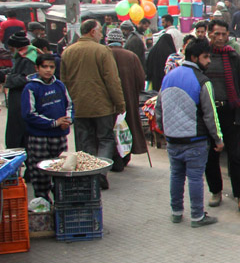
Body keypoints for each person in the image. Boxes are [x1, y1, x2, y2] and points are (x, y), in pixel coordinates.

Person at [156, 38, 223, 227]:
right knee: (195, 177)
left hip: (172, 139)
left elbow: (159, 107)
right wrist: (218, 139)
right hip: (195, 139)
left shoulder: (168, 76)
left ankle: (176, 212)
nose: (209, 61)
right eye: (206, 57)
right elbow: (211, 115)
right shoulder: (202, 81)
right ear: (194, 57)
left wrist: (163, 129)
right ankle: (197, 216)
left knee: (176, 175)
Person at [60, 20, 125, 189]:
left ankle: (87, 175)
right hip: (102, 105)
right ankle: (100, 173)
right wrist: (120, 103)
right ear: (91, 32)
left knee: (84, 141)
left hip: (79, 105)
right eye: (99, 31)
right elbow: (112, 80)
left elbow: (64, 81)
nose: (101, 35)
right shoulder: (102, 51)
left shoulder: (68, 52)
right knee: (105, 139)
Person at [204, 19, 240, 213]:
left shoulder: (233, 57)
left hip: (231, 111)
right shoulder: (204, 56)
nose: (220, 38)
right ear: (209, 34)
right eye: (216, 34)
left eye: (223, 34)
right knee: (211, 154)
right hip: (210, 114)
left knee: (235, 155)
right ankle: (215, 191)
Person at [21, 54, 73, 200]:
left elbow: (70, 105)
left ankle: (60, 201)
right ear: (37, 68)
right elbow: (29, 114)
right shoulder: (31, 88)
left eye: (51, 67)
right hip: (39, 137)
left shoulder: (60, 85)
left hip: (59, 137)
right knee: (40, 172)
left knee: (61, 170)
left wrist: (68, 120)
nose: (48, 70)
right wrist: (54, 123)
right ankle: (42, 201)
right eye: (44, 67)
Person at [105, 29, 148, 171]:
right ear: (122, 42)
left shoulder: (103, 54)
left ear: (108, 41)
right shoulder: (131, 56)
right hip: (129, 98)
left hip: (107, 100)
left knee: (109, 129)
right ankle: (125, 156)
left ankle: (113, 158)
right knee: (127, 127)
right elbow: (141, 80)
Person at [3, 32, 38, 148]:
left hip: (22, 99)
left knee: (20, 132)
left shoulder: (29, 59)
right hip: (17, 99)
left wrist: (8, 79)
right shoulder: (22, 57)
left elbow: (28, 78)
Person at [146, 24, 177, 91]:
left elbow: (148, 65)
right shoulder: (170, 53)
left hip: (154, 80)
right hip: (166, 82)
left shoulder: (153, 50)